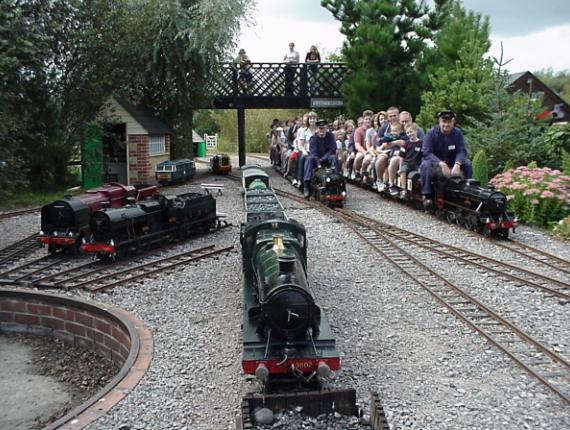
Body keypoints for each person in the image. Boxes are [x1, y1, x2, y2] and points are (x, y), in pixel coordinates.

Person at [420, 110, 473, 208]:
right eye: (444, 122)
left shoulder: (457, 133)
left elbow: (461, 151)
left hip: (452, 162)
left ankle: (466, 194)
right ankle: (427, 195)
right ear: (439, 122)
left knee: (468, 164)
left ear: (453, 123)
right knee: (425, 165)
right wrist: (441, 163)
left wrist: (457, 164)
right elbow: (426, 152)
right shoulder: (431, 133)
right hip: (435, 163)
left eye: (449, 122)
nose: (446, 124)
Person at [303, 119, 340, 198]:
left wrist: (323, 158)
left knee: (334, 157)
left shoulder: (330, 136)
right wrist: (318, 162)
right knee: (309, 159)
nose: (322, 130)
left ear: (326, 128)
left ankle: (336, 180)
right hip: (316, 159)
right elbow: (313, 152)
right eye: (320, 128)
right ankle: (307, 183)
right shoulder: (313, 138)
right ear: (317, 129)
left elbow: (332, 149)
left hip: (327, 158)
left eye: (323, 128)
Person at [389, 122, 423, 199]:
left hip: (417, 164)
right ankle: (403, 189)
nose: (409, 134)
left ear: (416, 131)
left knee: (421, 173)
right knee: (403, 171)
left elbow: (423, 155)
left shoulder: (421, 143)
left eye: (411, 132)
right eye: (407, 132)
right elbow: (401, 156)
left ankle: (420, 191)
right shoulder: (406, 144)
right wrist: (401, 167)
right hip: (407, 163)